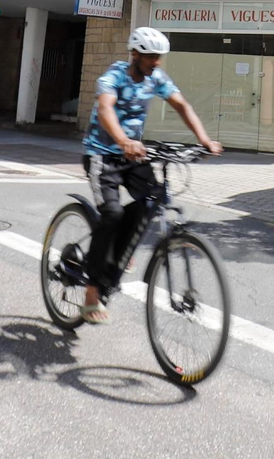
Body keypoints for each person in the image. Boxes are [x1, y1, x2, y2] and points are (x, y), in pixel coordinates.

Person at [80, 25, 221, 323]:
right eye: (150, 57)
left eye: (159, 57)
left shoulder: (156, 78)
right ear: (135, 54)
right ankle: (92, 291)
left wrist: (204, 140)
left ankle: (119, 249)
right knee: (112, 214)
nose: (156, 62)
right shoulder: (114, 76)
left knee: (154, 198)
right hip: (102, 155)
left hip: (134, 156)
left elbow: (182, 106)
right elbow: (105, 109)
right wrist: (122, 141)